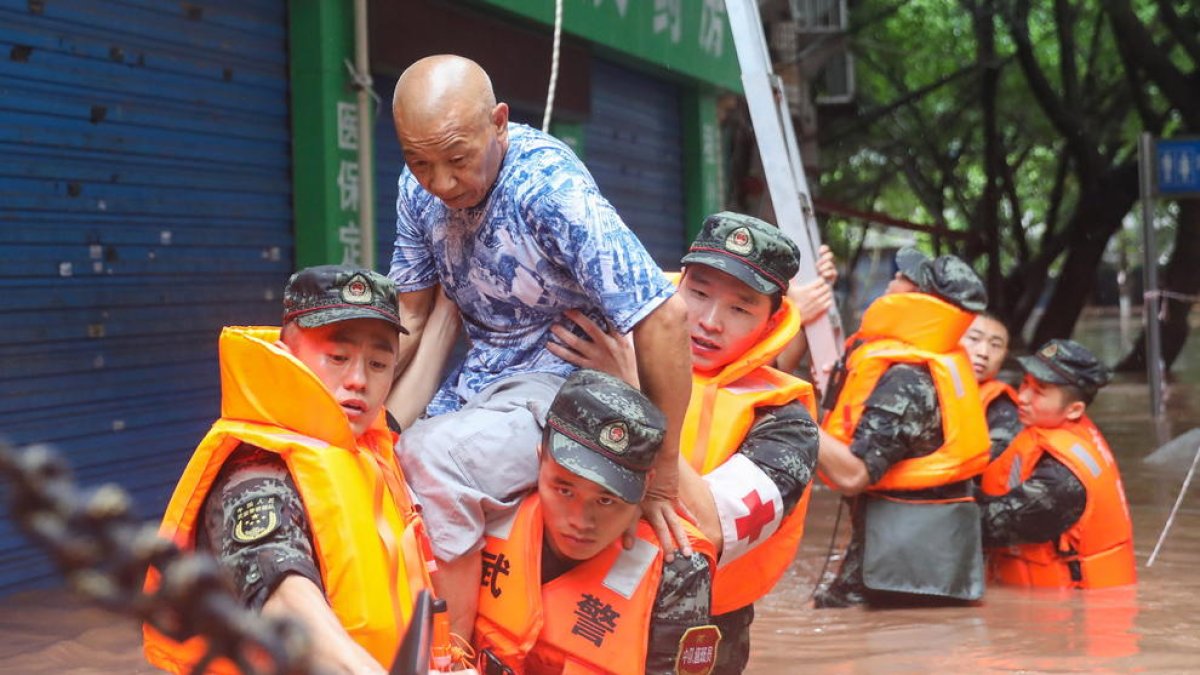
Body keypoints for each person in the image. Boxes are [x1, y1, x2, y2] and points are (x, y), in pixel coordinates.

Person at [388, 54, 692, 636]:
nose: (441, 183)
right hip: (481, 382)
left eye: (457, 159)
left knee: (430, 456)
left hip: (566, 383)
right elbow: (412, 316)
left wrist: (661, 472)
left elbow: (667, 317)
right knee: (382, 463)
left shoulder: (551, 191)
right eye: (419, 162)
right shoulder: (416, 190)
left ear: (499, 123)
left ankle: (452, 654)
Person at [548, 212, 821, 673]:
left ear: (772, 320)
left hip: (694, 628)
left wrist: (637, 390)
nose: (710, 321)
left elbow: (712, 527)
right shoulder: (603, 344)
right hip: (565, 599)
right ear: (677, 286)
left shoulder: (787, 422)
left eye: (741, 308)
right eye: (698, 293)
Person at [143, 266, 435, 674]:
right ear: (285, 356)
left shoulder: (364, 449)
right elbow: (287, 603)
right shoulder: (255, 475)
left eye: (379, 364)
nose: (358, 380)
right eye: (337, 357)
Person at [473, 369, 718, 675]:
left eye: (606, 500)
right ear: (540, 460)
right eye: (564, 490)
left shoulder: (677, 570)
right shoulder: (485, 506)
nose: (579, 520)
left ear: (645, 487)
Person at [814, 247, 991, 608]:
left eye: (902, 275)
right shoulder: (931, 364)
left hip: (892, 581)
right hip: (920, 574)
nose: (892, 278)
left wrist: (791, 414)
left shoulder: (908, 379)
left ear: (921, 298)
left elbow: (853, 475)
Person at [978, 339, 1136, 588]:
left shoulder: (1061, 479)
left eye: (1038, 391)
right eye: (1024, 383)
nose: (1021, 397)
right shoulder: (1050, 432)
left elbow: (985, 526)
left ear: (1074, 410)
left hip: (1074, 616)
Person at [960, 311, 1023, 460]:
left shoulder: (1002, 410)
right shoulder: (917, 381)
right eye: (974, 339)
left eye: (995, 345)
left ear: (1005, 355)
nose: (984, 353)